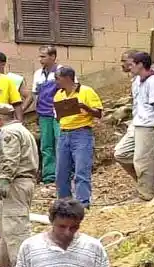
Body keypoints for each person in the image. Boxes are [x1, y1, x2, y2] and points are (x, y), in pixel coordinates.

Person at [0, 103, 39, 267]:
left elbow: (10, 157)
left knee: (16, 230)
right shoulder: (21, 129)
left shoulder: (9, 132)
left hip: (15, 183)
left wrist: (4, 178)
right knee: (5, 230)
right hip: (22, 181)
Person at [52, 66, 102, 207]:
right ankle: (64, 202)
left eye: (58, 78)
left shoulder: (86, 91)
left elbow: (98, 112)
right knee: (61, 172)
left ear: (67, 78)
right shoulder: (58, 95)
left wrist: (84, 107)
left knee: (81, 170)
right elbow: (57, 117)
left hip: (82, 133)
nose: (56, 81)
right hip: (64, 133)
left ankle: (83, 203)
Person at [118, 52, 154, 201]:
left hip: (149, 124)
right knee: (121, 153)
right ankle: (151, 180)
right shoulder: (136, 80)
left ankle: (146, 193)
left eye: (132, 64)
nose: (129, 67)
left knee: (143, 161)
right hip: (136, 122)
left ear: (141, 64)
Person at [31, 46, 62, 184]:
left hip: (59, 113)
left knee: (60, 142)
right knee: (46, 145)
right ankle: (49, 175)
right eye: (40, 56)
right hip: (44, 114)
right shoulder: (38, 74)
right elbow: (35, 94)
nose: (40, 60)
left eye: (43, 57)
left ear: (53, 57)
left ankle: (64, 172)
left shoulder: (62, 71)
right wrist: (36, 113)